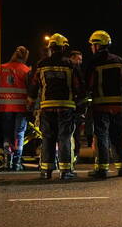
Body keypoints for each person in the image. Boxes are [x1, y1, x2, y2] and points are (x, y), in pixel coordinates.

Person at [29, 34, 82, 180]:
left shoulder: (41, 64)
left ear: (51, 47)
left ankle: (46, 171)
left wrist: (31, 100)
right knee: (65, 138)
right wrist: (78, 102)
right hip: (66, 107)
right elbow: (78, 86)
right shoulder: (71, 65)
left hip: (47, 107)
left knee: (48, 138)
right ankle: (65, 171)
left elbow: (34, 85)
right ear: (64, 47)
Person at [84, 30, 122, 179]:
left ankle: (102, 169)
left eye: (92, 45)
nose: (92, 48)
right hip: (117, 105)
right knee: (117, 136)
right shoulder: (119, 60)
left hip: (100, 106)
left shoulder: (94, 62)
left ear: (97, 46)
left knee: (102, 136)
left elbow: (88, 83)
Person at [0, 45, 32, 170]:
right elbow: (30, 89)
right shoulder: (26, 70)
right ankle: (16, 163)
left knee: (7, 135)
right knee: (19, 134)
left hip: (5, 106)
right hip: (21, 107)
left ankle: (7, 161)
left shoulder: (3, 68)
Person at [69, 49, 89, 163]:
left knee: (76, 135)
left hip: (76, 108)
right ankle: (72, 155)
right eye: (78, 59)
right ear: (72, 58)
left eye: (81, 60)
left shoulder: (77, 71)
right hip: (71, 108)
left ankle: (74, 155)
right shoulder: (72, 70)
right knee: (70, 134)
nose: (80, 62)